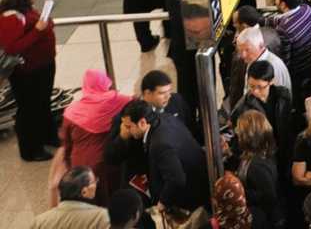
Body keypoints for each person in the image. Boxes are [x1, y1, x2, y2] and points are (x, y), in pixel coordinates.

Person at [0, 0, 58, 161]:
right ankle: (31, 149)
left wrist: (45, 24)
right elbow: (12, 47)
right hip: (28, 72)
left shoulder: (27, 10)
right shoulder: (12, 17)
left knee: (42, 104)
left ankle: (48, 137)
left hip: (42, 66)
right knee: (29, 109)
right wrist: (39, 30)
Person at [117, 99, 209, 213]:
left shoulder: (159, 144)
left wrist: (162, 203)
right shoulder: (166, 117)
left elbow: (177, 179)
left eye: (129, 126)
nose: (126, 131)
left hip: (191, 199)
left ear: (142, 123)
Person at [55, 69, 130, 203]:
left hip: (81, 163)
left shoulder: (72, 111)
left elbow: (66, 143)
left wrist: (68, 163)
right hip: (111, 161)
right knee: (114, 193)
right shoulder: (121, 102)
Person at [31, 168, 108, 229]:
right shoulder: (102, 217)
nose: (96, 184)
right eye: (94, 181)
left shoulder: (39, 222)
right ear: (84, 192)